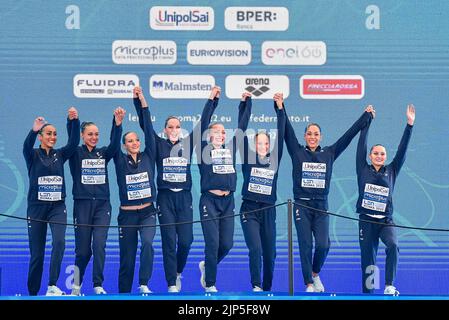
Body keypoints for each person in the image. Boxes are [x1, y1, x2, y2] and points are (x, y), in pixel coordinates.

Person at [284, 104, 373, 292]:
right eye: (309, 133)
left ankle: (315, 274)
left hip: (321, 206)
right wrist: (280, 107)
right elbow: (287, 131)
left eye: (316, 134)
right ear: (305, 136)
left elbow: (348, 136)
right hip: (301, 205)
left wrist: (365, 116)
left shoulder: (329, 153)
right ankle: (308, 283)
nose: (312, 137)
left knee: (324, 245)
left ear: (321, 137)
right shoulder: (297, 151)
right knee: (305, 244)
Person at [132, 86, 196, 293]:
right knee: (169, 241)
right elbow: (145, 124)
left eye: (177, 126)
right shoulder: (158, 144)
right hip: (166, 199)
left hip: (184, 199)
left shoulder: (187, 144)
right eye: (171, 127)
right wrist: (140, 100)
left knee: (186, 241)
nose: (174, 129)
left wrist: (212, 100)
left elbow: (204, 122)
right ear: (165, 129)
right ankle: (171, 283)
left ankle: (177, 271)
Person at [356, 104, 415, 295]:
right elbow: (362, 142)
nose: (379, 156)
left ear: (386, 156)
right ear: (370, 156)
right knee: (368, 259)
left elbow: (402, 150)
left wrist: (409, 125)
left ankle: (389, 285)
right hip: (366, 221)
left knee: (393, 245)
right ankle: (369, 294)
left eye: (382, 154)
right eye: (375, 153)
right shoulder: (362, 168)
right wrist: (368, 120)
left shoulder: (392, 170)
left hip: (385, 221)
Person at [23, 107, 80, 296]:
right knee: (37, 254)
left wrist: (72, 121)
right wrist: (33, 129)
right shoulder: (32, 155)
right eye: (49, 133)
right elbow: (25, 145)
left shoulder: (60, 155)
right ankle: (32, 293)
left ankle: (52, 286)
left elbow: (73, 142)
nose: (53, 137)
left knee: (59, 241)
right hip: (36, 209)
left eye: (55, 134)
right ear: (41, 136)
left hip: (57, 207)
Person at [68, 107, 124, 295]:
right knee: (83, 251)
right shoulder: (75, 152)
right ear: (83, 136)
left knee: (99, 245)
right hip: (82, 205)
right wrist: (73, 121)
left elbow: (115, 145)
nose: (94, 137)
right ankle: (76, 285)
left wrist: (117, 124)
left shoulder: (103, 153)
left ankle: (98, 284)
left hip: (102, 206)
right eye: (90, 134)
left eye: (96, 134)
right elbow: (71, 139)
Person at [197, 86, 245, 293]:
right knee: (213, 243)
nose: (221, 135)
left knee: (226, 244)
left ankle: (207, 265)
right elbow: (202, 124)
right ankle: (210, 284)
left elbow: (242, 127)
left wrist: (245, 104)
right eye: (217, 131)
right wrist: (212, 100)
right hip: (209, 200)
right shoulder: (202, 150)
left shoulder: (230, 149)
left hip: (228, 202)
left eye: (224, 132)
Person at [238, 92, 286, 292]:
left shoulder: (274, 158)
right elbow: (241, 132)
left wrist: (280, 109)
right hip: (249, 210)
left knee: (270, 253)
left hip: (268, 210)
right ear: (254, 144)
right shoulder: (248, 157)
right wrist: (246, 104)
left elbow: (281, 133)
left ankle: (267, 289)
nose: (263, 146)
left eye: (266, 143)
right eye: (259, 143)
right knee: (255, 249)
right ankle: (256, 286)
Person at [112, 98, 157, 294]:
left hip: (147, 212)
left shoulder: (149, 155)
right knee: (127, 257)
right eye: (130, 141)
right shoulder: (119, 159)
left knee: (147, 243)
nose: (135, 143)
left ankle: (144, 283)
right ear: (124, 146)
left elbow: (148, 131)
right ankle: (124, 293)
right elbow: (113, 143)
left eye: (136, 140)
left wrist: (143, 106)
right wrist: (117, 124)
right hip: (127, 215)